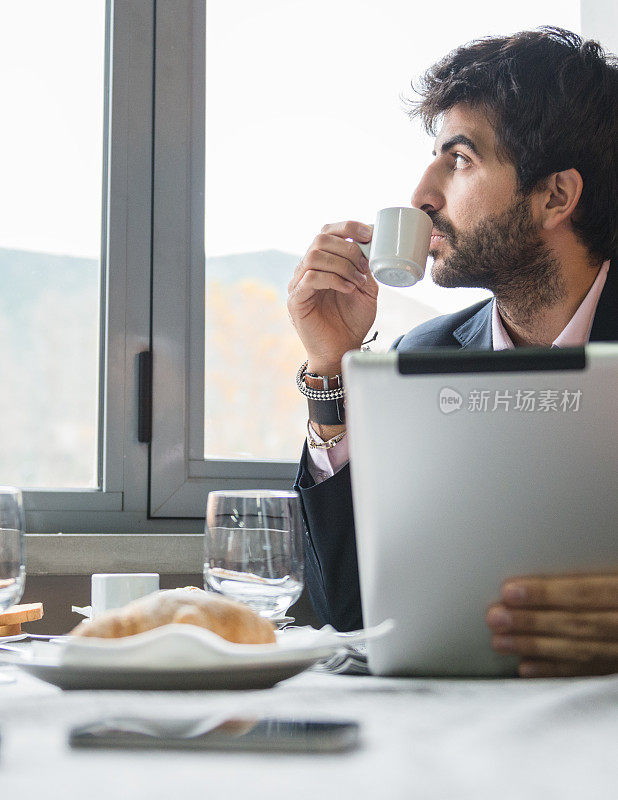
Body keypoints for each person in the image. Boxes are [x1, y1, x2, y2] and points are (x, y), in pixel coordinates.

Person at [286, 27, 618, 678]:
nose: (421, 197)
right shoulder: (420, 357)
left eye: (459, 159)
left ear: (556, 196)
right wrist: (331, 369)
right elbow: (346, 616)